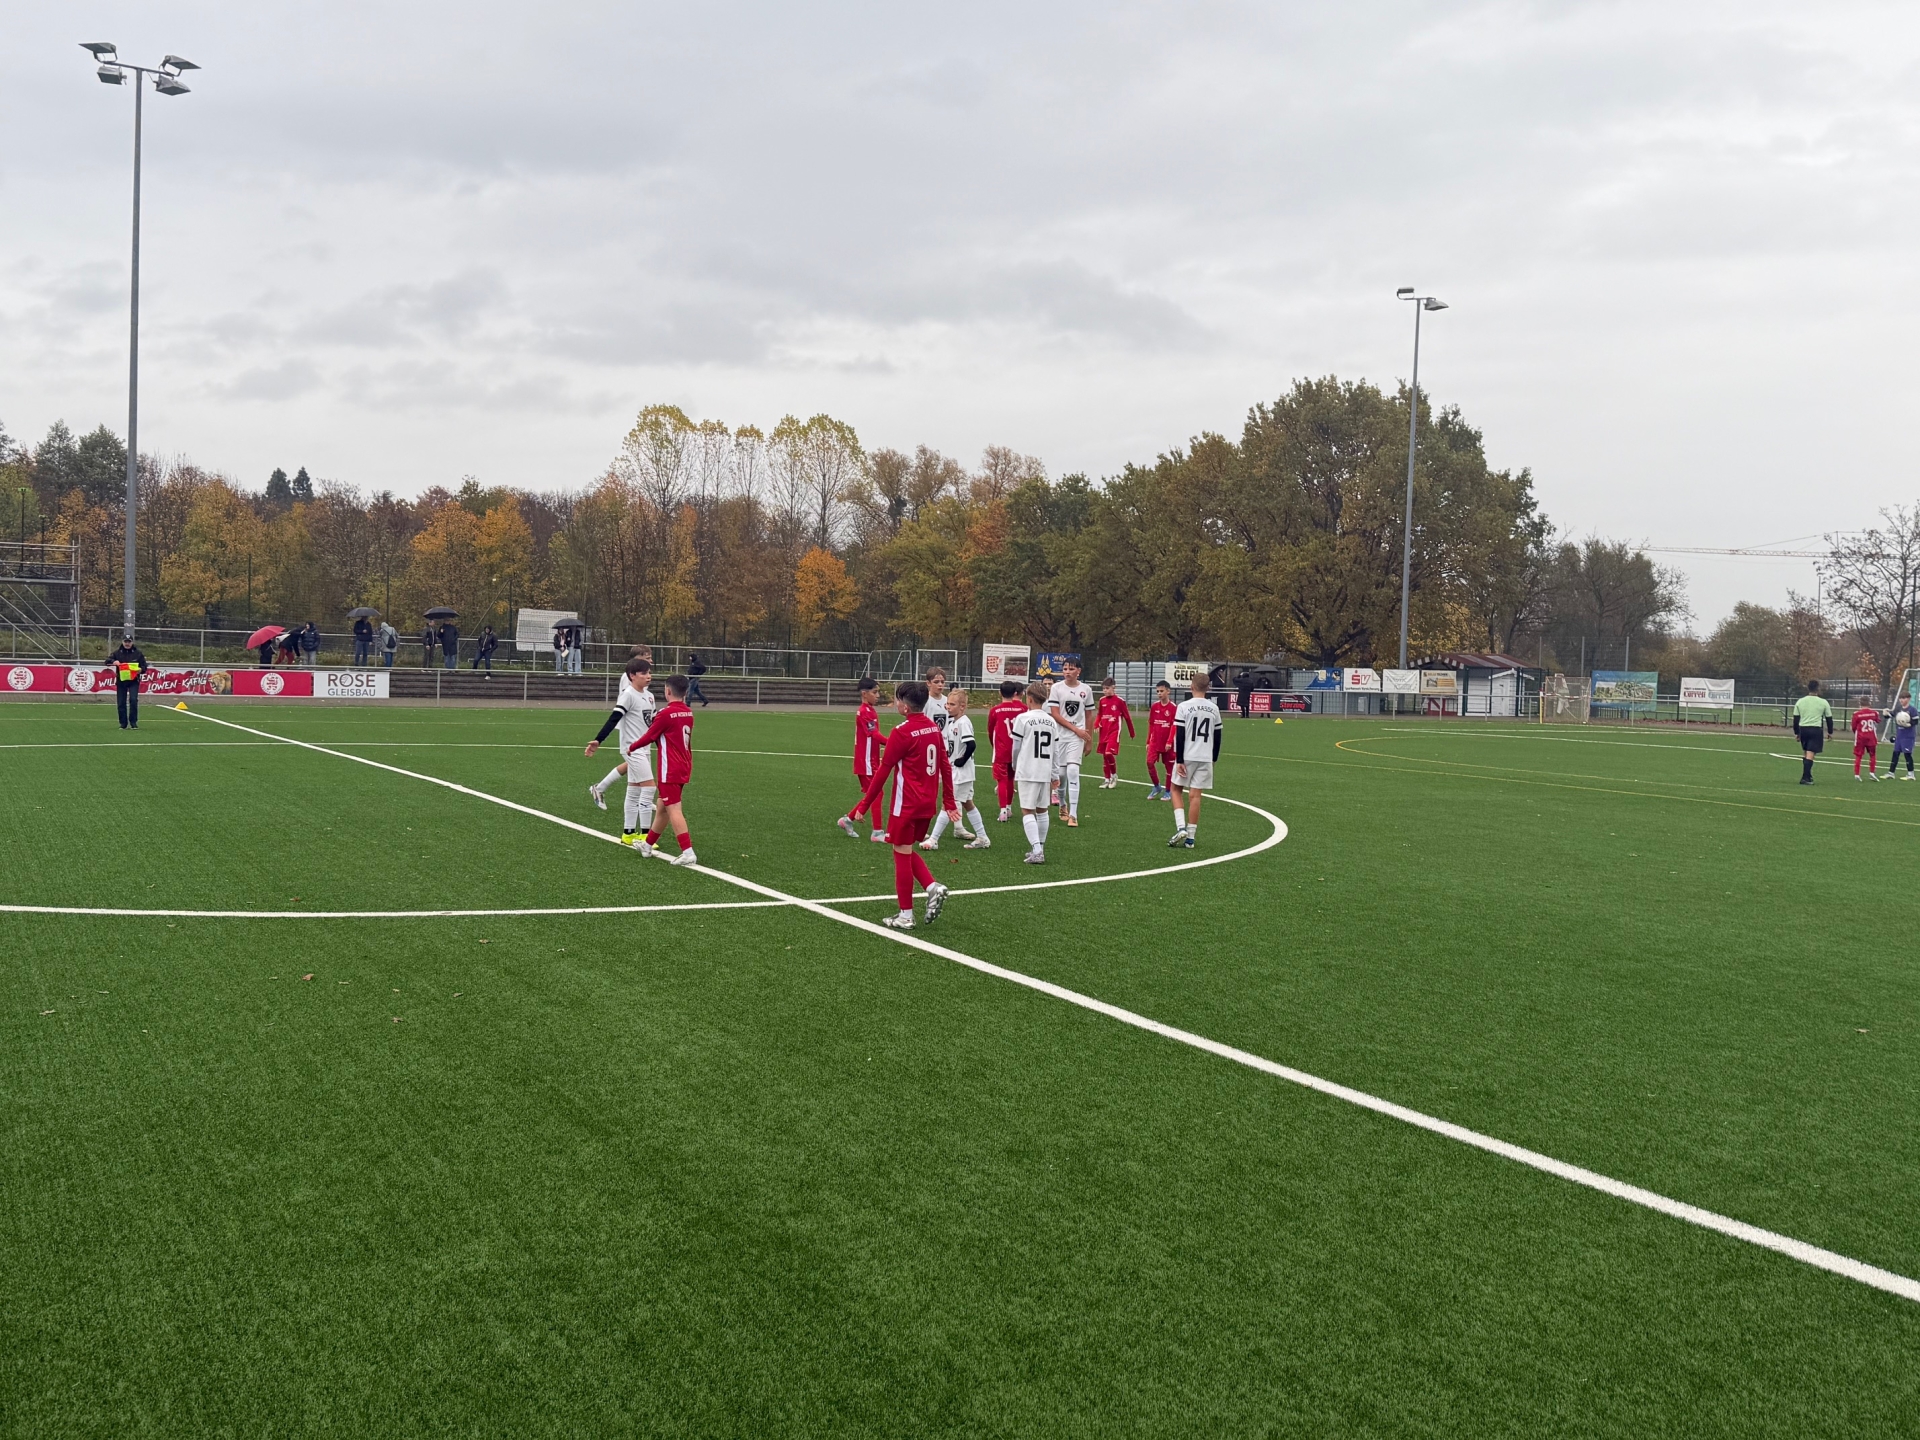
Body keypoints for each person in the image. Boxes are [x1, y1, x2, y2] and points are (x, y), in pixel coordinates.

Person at [856, 679, 957, 929]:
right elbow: (945, 766)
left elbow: (883, 772)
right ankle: (931, 887)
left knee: (900, 854)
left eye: (898, 700)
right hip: (927, 803)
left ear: (905, 706)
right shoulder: (933, 728)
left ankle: (906, 915)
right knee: (904, 849)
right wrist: (949, 801)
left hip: (906, 803)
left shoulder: (901, 732)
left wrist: (864, 805)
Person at [586, 655, 659, 844]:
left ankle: (628, 833)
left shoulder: (649, 696)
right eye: (644, 673)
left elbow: (653, 723)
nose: (648, 676)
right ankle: (645, 836)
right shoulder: (628, 695)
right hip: (632, 749)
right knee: (649, 787)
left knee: (634, 789)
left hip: (644, 748)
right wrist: (598, 740)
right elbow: (614, 718)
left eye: (649, 673)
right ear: (632, 676)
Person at [628, 674, 699, 866]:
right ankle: (647, 845)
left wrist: (632, 747)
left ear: (667, 691)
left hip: (670, 768)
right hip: (684, 765)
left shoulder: (666, 713)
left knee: (673, 808)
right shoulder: (688, 712)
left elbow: (650, 736)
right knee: (662, 807)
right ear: (685, 693)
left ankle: (688, 852)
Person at [922, 689, 991, 850]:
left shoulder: (963, 722)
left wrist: (962, 760)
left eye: (952, 704)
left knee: (948, 803)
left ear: (962, 706)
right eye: (947, 704)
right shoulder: (953, 722)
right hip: (958, 771)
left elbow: (971, 744)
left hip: (961, 773)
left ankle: (933, 840)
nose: (948, 707)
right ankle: (982, 837)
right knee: (967, 803)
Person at [1008, 681, 1062, 864]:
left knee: (1027, 810)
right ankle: (1039, 847)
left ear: (1029, 699)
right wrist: (1054, 774)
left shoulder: (1023, 719)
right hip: (1044, 770)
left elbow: (1016, 746)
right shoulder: (1051, 721)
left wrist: (1015, 764)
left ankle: (1037, 850)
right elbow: (1055, 750)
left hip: (1028, 769)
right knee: (1042, 810)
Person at [1168, 672, 1223, 849]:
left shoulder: (1184, 706)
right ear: (1208, 688)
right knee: (1195, 795)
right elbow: (1218, 736)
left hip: (1187, 755)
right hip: (1205, 757)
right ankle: (1190, 838)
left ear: (1191, 687)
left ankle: (1181, 828)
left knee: (1175, 789)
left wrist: (1179, 759)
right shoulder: (1214, 708)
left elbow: (1180, 734)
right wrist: (1213, 759)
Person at [837, 678, 889, 841]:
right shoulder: (865, 712)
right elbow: (874, 734)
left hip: (870, 760)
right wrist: (892, 743)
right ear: (864, 694)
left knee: (873, 794)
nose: (878, 695)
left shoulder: (869, 710)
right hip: (866, 761)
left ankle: (848, 820)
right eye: (875, 692)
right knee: (877, 793)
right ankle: (877, 832)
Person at [1046, 657, 1094, 825]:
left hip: (1077, 737)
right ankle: (1062, 804)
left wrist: (1089, 740)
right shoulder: (1056, 688)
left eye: (1071, 669)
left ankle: (1073, 814)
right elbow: (1055, 714)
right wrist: (1076, 729)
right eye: (1065, 668)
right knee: (1061, 774)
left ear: (1078, 671)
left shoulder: (1086, 689)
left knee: (1073, 771)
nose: (1067, 672)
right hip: (1060, 736)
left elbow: (1089, 715)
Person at [987, 680, 1024, 822]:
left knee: (1001, 779)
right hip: (1017, 750)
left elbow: (990, 730)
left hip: (1001, 751)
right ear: (1015, 693)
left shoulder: (995, 710)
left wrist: (994, 745)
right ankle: (1008, 807)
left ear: (999, 693)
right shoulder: (1022, 710)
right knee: (1010, 778)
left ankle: (1002, 811)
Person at [1095, 676, 1135, 789]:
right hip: (1103, 731)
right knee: (1105, 756)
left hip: (1114, 731)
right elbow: (1099, 714)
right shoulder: (1102, 700)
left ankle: (1114, 775)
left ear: (1114, 687)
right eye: (1104, 688)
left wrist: (1131, 732)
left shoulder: (1120, 701)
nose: (1105, 690)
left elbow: (1127, 717)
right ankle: (1106, 779)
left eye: (1107, 688)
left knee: (1109, 753)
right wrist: (1096, 724)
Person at [1790, 680, 1833, 785]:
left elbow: (1796, 719)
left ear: (1808, 688)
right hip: (1815, 729)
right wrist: (1830, 732)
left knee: (1806, 752)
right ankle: (1805, 778)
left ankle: (1808, 775)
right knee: (1810, 753)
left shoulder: (1800, 701)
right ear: (1818, 689)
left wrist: (1797, 733)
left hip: (1803, 729)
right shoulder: (1823, 702)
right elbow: (1829, 718)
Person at [1145, 680, 1178, 800]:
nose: (1159, 693)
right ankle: (1157, 786)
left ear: (1168, 691)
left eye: (1161, 691)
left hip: (1168, 743)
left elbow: (1174, 726)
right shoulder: (1154, 706)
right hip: (1155, 741)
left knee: (1169, 767)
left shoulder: (1173, 707)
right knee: (1149, 762)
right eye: (1157, 691)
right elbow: (1151, 724)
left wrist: (1169, 741)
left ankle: (1168, 791)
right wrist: (1148, 741)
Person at [110, 634, 148, 730]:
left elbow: (144, 666)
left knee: (133, 700)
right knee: (121, 702)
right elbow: (107, 660)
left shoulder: (138, 653)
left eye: (129, 642)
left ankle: (133, 722)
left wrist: (140, 670)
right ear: (122, 642)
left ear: (132, 642)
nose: (127, 644)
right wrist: (114, 662)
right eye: (125, 642)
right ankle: (123, 723)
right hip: (121, 681)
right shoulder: (117, 653)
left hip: (134, 681)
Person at [1851, 699, 1883, 781]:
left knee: (1858, 755)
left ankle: (1857, 774)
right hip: (1871, 737)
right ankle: (1872, 773)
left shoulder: (1856, 714)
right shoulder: (1874, 713)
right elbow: (1878, 721)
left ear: (1860, 704)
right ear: (1869, 703)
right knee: (1872, 755)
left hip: (1860, 737)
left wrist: (1856, 733)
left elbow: (1853, 727)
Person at [1891, 695, 1918, 777]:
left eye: (1904, 698)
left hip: (1908, 736)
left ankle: (1911, 774)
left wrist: (1909, 724)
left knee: (1907, 754)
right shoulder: (1898, 708)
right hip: (1899, 735)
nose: (1901, 700)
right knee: (1895, 753)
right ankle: (1891, 773)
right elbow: (1891, 715)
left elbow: (1916, 721)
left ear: (1908, 699)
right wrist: (1886, 714)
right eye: (1900, 698)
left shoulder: (1912, 709)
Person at [921, 666, 950, 735]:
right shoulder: (924, 701)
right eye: (936, 682)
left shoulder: (948, 701)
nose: (940, 684)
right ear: (928, 683)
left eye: (942, 682)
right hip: (929, 739)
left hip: (945, 740)